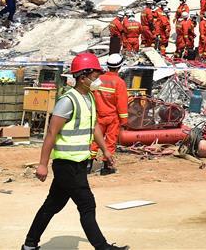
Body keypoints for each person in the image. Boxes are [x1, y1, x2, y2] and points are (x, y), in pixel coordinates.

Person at [22, 53, 128, 250]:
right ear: (83, 76)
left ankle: (29, 245)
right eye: (95, 76)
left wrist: (105, 150)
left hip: (79, 162)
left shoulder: (88, 97)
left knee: (53, 205)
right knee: (87, 204)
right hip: (66, 164)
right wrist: (43, 164)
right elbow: (51, 134)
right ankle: (102, 247)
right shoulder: (67, 101)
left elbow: (93, 125)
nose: (98, 80)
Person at [90, 53, 129, 175]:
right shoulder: (119, 82)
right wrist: (124, 121)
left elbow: (92, 96)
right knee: (110, 142)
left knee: (95, 140)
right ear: (119, 67)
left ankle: (87, 165)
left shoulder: (98, 80)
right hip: (112, 117)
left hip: (98, 115)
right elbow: (121, 103)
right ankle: (106, 167)